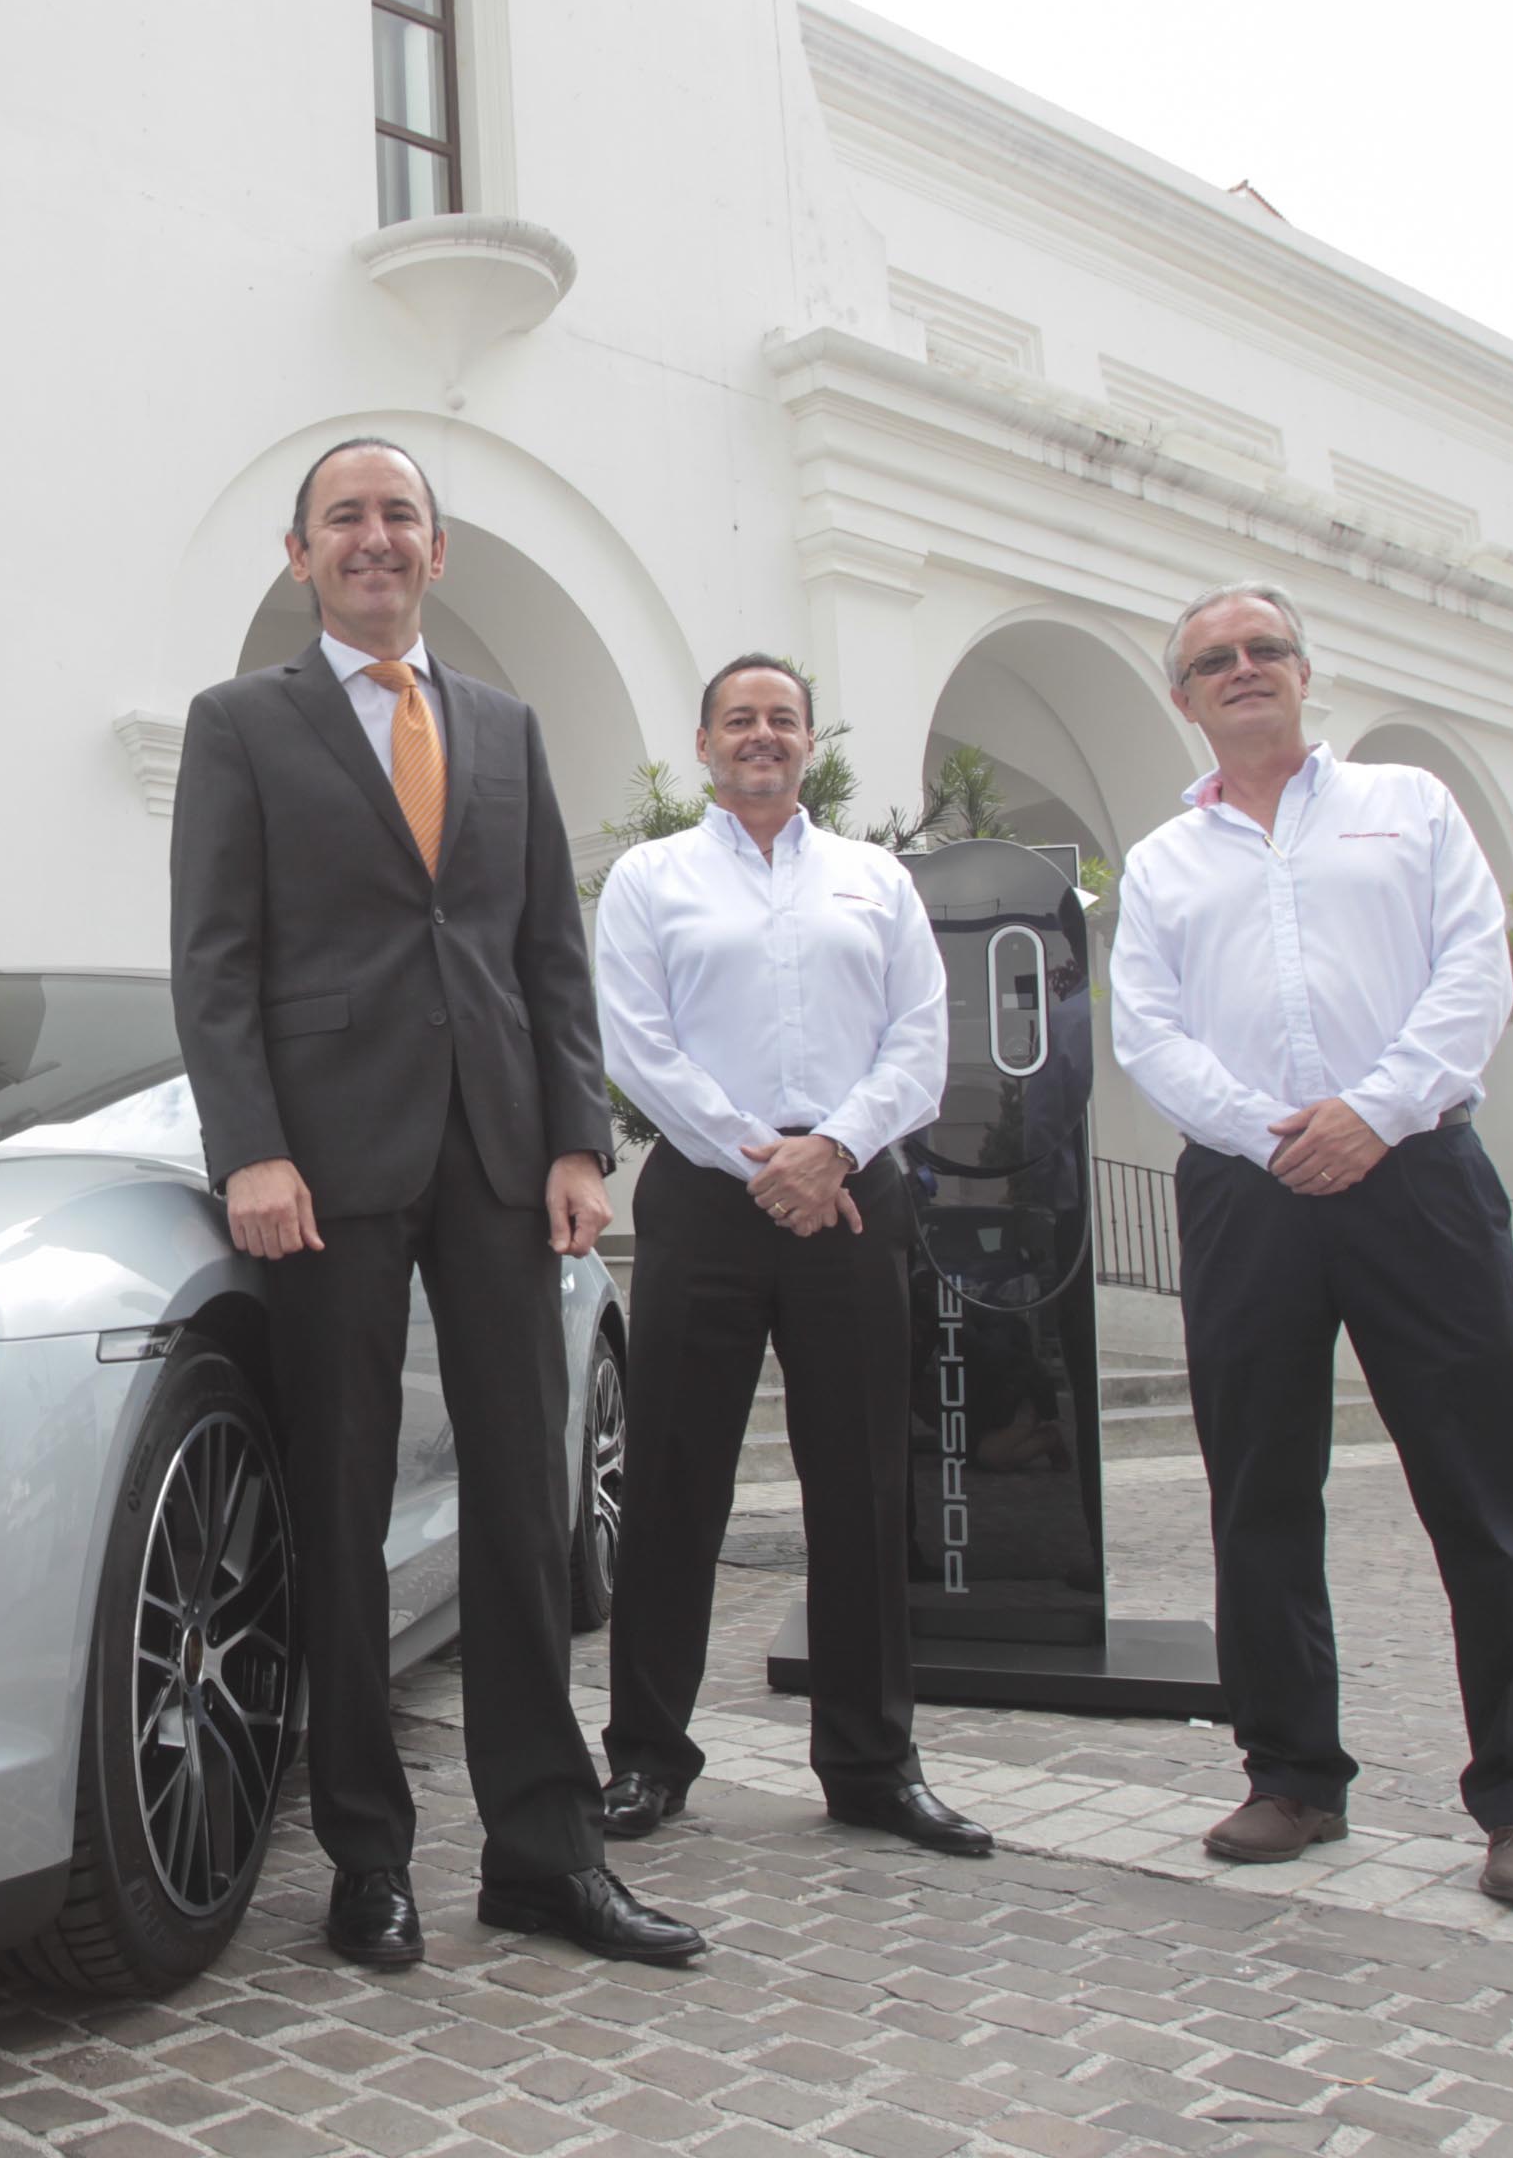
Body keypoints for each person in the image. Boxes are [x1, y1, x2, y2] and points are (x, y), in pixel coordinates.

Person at [169, 437, 702, 1970]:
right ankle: (366, 1855)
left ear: (436, 552)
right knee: (337, 1506)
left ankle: (545, 1854)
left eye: (399, 515)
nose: (374, 538)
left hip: (496, 1157)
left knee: (526, 1512)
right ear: (301, 554)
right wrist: (249, 1148)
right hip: (322, 1177)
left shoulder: (505, 726)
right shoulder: (239, 727)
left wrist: (580, 1139)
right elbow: (215, 961)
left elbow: (548, 951)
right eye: (346, 517)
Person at [1111, 580, 1513, 1910]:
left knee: (1485, 1495)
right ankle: (1291, 1777)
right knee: (1260, 1490)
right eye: (1216, 659)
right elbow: (1147, 1029)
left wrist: (1370, 1115)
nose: (1244, 669)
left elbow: (1474, 970)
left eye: (1266, 649)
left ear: (1305, 673)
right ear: (1184, 697)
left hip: (1416, 1175)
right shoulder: (1161, 864)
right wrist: (1272, 1138)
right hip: (1247, 1188)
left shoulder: (1412, 808)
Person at [590, 653, 990, 1859]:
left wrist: (835, 1150)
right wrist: (760, 1153)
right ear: (705, 742)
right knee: (670, 1483)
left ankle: (873, 1764)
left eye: (783, 719)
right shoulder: (649, 879)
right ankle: (650, 1756)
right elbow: (633, 1036)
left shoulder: (876, 880)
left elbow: (922, 1040)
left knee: (863, 1487)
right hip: (708, 1200)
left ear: (809, 741)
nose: (761, 736)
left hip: (853, 1199)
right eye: (739, 719)